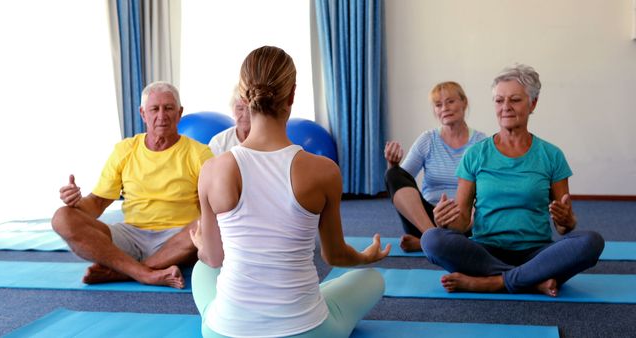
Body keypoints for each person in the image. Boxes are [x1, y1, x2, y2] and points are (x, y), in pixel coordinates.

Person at [190, 46, 391, 338]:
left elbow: (212, 258)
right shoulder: (323, 170)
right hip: (309, 331)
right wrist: (365, 257)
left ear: (244, 98)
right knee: (371, 279)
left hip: (225, 332)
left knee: (201, 270)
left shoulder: (213, 169)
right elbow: (335, 256)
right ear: (292, 95)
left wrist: (200, 244)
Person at [423, 64, 605, 297]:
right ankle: (530, 280)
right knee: (432, 240)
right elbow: (461, 223)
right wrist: (444, 221)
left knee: (591, 242)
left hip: (537, 252)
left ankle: (493, 283)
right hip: (485, 252)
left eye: (515, 100)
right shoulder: (475, 154)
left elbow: (563, 228)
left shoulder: (551, 155)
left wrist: (568, 220)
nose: (505, 107)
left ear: (533, 104)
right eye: (499, 101)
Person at [51, 81, 213, 289]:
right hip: (131, 236)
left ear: (179, 113)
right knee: (62, 217)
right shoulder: (125, 150)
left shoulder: (199, 154)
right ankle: (145, 273)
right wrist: (75, 204)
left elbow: (213, 206)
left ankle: (124, 272)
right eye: (154, 109)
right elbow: (97, 203)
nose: (161, 116)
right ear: (143, 113)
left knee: (209, 222)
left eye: (169, 108)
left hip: (177, 240)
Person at [384, 81, 486, 252]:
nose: (444, 108)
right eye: (438, 104)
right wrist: (392, 163)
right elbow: (401, 181)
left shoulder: (481, 143)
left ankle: (427, 243)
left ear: (464, 102)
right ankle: (433, 238)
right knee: (392, 174)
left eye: (450, 101)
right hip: (428, 218)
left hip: (466, 219)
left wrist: (470, 218)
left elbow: (487, 191)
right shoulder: (428, 139)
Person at [208, 85, 251, 155]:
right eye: (240, 108)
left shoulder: (268, 140)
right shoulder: (219, 142)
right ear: (232, 110)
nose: (245, 115)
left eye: (250, 109)